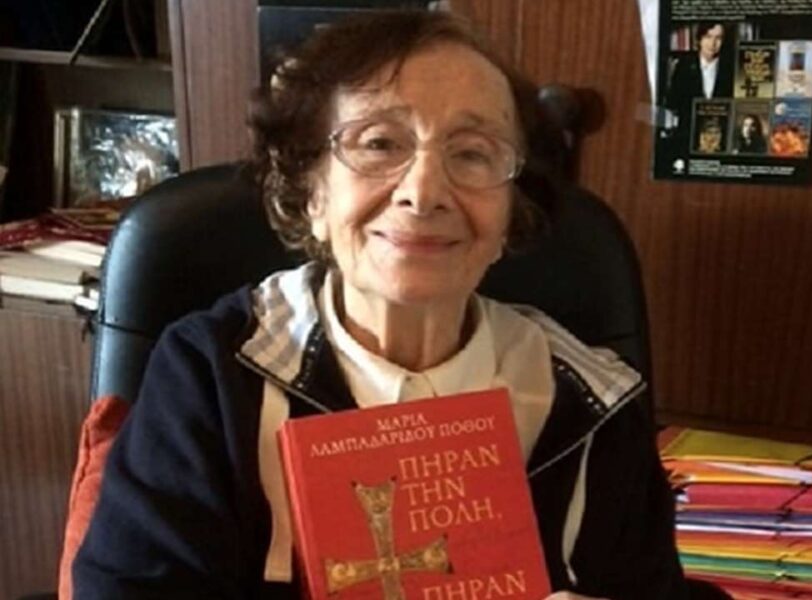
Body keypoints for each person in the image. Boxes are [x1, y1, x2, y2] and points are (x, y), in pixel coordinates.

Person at [72, 10, 688, 600]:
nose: (423, 191)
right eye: (379, 143)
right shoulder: (210, 375)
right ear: (311, 193)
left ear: (512, 212)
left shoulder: (593, 403)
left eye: (472, 153)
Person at [664, 22, 734, 156]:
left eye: (718, 38)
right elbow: (673, 102)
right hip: (687, 137)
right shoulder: (683, 66)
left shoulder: (730, 67)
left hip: (720, 138)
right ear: (699, 40)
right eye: (708, 37)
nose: (713, 43)